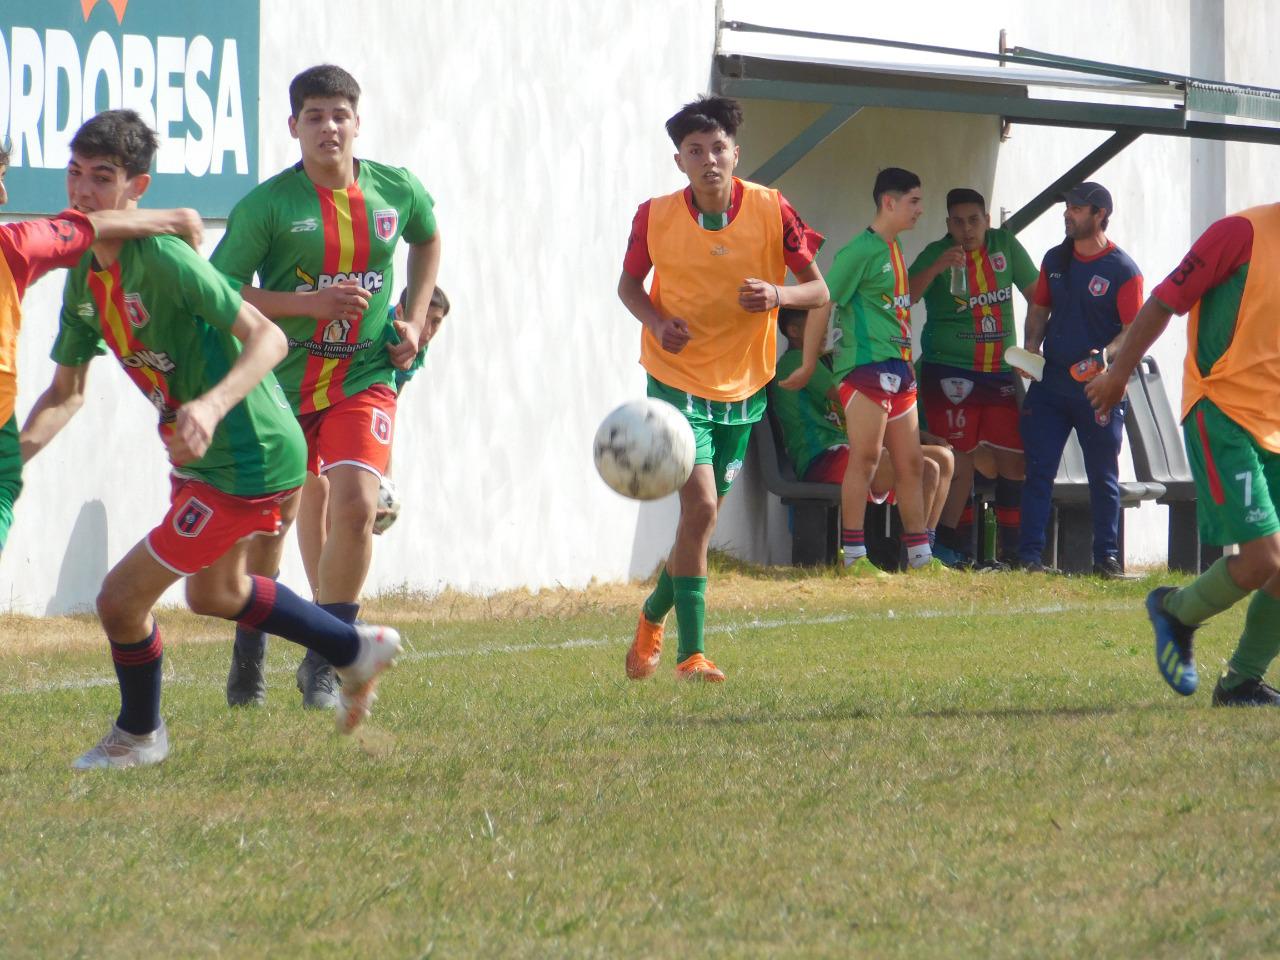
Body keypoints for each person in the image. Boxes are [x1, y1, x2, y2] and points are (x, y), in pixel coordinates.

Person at [19, 110, 402, 769]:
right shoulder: (85, 274)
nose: (82, 192)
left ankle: (139, 735)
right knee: (215, 594)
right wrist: (11, 458)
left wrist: (211, 405)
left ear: (135, 189)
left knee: (119, 599)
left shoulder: (163, 260)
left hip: (248, 454)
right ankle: (352, 649)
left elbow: (269, 337)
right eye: (75, 173)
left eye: (102, 178)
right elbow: (67, 392)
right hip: (207, 457)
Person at [211, 65, 441, 708]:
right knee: (272, 525)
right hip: (278, 383)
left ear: (357, 123)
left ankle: (325, 656)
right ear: (294, 127)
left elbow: (429, 239)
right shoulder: (268, 206)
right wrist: (306, 306)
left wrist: (415, 320)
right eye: (314, 116)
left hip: (363, 377)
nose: (328, 127)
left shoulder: (395, 192)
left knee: (357, 507)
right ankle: (250, 654)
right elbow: (218, 291)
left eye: (340, 114)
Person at [619, 95, 828, 683]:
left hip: (743, 386)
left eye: (718, 149)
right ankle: (693, 655)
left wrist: (778, 295)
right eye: (695, 151)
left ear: (736, 153)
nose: (708, 159)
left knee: (699, 525)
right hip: (676, 379)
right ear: (679, 161)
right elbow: (629, 286)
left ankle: (651, 618)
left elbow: (819, 292)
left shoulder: (771, 208)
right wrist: (657, 322)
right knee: (702, 506)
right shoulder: (654, 215)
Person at [1088, 203, 1280, 706]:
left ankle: (1241, 683)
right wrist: (1119, 375)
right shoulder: (1240, 233)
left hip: (1276, 424)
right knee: (1264, 560)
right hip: (1224, 413)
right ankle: (1176, 611)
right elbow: (1161, 304)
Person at [0, 143, 205, 557]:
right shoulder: (15, 246)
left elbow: (84, 227)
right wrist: (176, 218)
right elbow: (85, 227)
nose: (4, 196)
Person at [781, 167, 942, 575]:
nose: (921, 210)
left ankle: (921, 556)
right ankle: (853, 556)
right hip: (865, 367)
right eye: (914, 201)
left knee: (911, 464)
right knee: (867, 458)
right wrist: (807, 364)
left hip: (900, 368)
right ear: (889, 202)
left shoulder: (893, 249)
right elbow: (822, 301)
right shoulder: (858, 251)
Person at [909, 188, 1038, 567]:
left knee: (1013, 460)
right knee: (960, 459)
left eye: (973, 220)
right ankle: (954, 549)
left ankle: (1013, 553)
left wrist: (1031, 347)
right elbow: (906, 296)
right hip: (948, 375)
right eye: (958, 221)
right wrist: (936, 267)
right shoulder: (937, 252)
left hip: (998, 373)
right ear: (948, 224)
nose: (966, 229)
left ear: (987, 220)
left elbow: (1038, 295)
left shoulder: (1005, 247)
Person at [1018, 182, 1142, 577]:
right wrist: (1030, 347)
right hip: (1051, 384)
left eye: (1077, 207)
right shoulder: (1055, 258)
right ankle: (1029, 559)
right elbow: (1039, 308)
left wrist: (1105, 357)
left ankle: (1106, 559)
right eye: (1067, 206)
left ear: (1100, 214)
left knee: (1103, 474)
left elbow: (1133, 330)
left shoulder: (1123, 269)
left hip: (1097, 389)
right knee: (1038, 469)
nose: (1068, 213)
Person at [770, 307, 953, 572]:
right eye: (816, 325)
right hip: (820, 456)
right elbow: (848, 398)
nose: (824, 332)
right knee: (926, 468)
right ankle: (911, 557)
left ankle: (922, 551)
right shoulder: (794, 360)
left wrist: (918, 433)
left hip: (845, 450)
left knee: (943, 460)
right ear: (794, 331)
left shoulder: (824, 361)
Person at [296, 285, 450, 595]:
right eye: (426, 319)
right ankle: (321, 598)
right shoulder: (382, 331)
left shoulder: (415, 347)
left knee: (347, 500)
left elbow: (387, 406)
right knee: (316, 489)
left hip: (354, 409)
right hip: (313, 394)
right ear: (402, 312)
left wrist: (384, 477)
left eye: (436, 322)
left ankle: (328, 599)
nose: (429, 330)